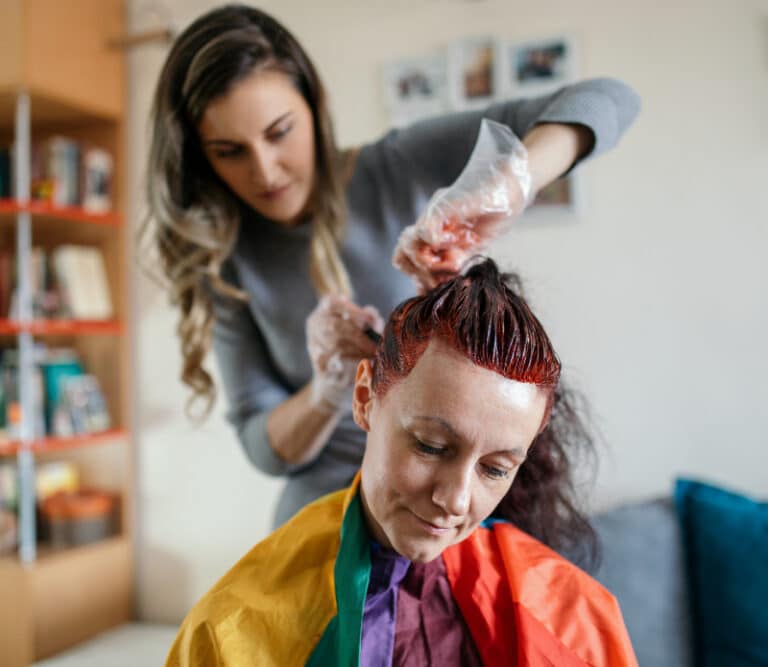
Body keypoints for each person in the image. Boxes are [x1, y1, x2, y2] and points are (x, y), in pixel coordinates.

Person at [144, 4, 641, 527]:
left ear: (316, 107)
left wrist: (511, 182)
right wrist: (326, 390)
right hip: (329, 509)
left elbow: (610, 99)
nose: (264, 171)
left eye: (279, 132)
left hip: (454, 494)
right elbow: (264, 449)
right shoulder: (226, 260)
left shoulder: (398, 167)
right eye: (229, 151)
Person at [165, 258, 637, 667]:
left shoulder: (578, 618)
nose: (455, 499)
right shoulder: (231, 636)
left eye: (495, 469)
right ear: (366, 396)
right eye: (430, 446)